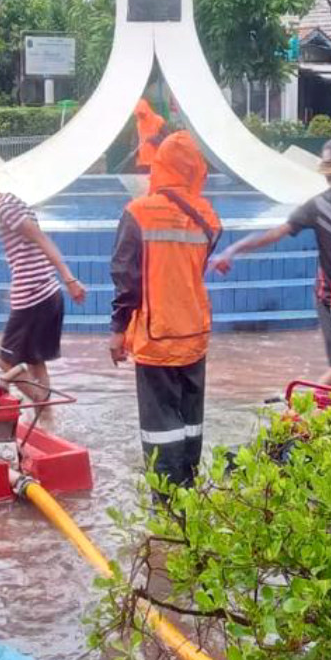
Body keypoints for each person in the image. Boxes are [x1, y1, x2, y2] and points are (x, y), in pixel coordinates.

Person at [209, 137, 331, 393]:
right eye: (325, 170)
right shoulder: (319, 205)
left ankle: (302, 412)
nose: (328, 177)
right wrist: (233, 249)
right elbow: (276, 233)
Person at [110, 131, 220, 490]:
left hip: (156, 337)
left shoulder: (138, 212)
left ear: (159, 166)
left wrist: (117, 330)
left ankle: (167, 508)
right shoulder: (208, 216)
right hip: (195, 333)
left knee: (160, 428)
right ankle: (191, 495)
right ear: (195, 168)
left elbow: (126, 277)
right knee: (191, 422)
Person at [0, 174, 87, 409]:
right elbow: (30, 249)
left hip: (34, 297)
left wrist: (69, 278)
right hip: (46, 293)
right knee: (35, 361)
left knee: (5, 362)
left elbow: (42, 239)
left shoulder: (5, 209)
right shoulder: (11, 202)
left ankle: (41, 407)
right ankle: (46, 421)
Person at [133, 99, 167, 173]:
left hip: (157, 162)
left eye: (141, 114)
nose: (140, 116)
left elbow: (168, 139)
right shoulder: (138, 124)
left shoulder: (159, 121)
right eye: (138, 114)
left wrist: (155, 139)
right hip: (142, 164)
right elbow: (135, 141)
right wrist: (135, 152)